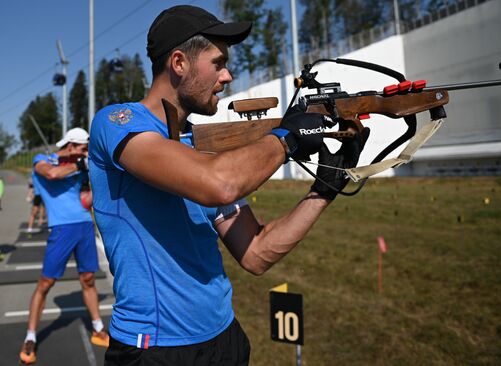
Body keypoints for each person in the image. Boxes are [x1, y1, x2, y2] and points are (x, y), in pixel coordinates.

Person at [88, 5, 366, 365]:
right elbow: (219, 184)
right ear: (178, 63)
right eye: (218, 63)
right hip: (154, 348)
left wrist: (325, 189)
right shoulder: (116, 123)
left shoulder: (199, 148)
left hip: (225, 338)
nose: (228, 76)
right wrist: (288, 138)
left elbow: (256, 253)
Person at [19, 128, 109, 365]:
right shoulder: (42, 160)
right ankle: (30, 337)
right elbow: (52, 174)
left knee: (88, 278)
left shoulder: (79, 167)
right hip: (61, 229)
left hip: (84, 225)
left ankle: (98, 327)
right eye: (81, 149)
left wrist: (96, 184)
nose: (83, 153)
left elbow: (84, 199)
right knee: (46, 283)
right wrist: (81, 166)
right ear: (70, 145)